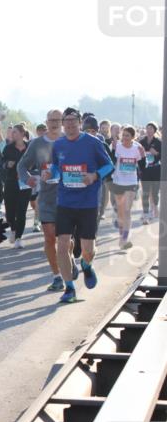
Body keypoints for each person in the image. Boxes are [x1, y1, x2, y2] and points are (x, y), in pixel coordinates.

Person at [45, 108, 114, 304]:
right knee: (62, 245)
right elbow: (56, 168)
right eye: (66, 121)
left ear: (80, 122)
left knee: (88, 249)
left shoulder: (93, 143)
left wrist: (94, 175)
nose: (69, 125)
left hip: (88, 203)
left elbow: (109, 166)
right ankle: (70, 288)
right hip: (65, 202)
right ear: (63, 124)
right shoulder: (59, 144)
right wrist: (50, 173)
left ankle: (86, 264)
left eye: (73, 121)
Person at [19, 110, 65, 291]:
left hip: (68, 197)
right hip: (46, 197)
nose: (54, 123)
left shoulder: (69, 140)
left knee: (66, 240)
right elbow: (22, 165)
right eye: (51, 120)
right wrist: (27, 178)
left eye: (57, 120)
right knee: (49, 237)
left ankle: (68, 261)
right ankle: (57, 276)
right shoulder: (37, 144)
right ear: (46, 122)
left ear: (62, 122)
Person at [110, 126, 143, 249]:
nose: (124, 137)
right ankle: (121, 237)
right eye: (123, 135)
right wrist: (113, 144)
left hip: (131, 182)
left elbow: (142, 163)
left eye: (127, 135)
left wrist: (143, 154)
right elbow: (112, 159)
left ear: (133, 137)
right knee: (121, 212)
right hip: (118, 182)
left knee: (127, 211)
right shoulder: (117, 146)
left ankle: (124, 239)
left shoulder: (137, 148)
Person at [2, 123, 33, 248]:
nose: (12, 134)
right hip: (11, 182)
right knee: (10, 213)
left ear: (22, 133)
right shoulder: (8, 148)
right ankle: (13, 229)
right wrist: (7, 164)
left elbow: (36, 162)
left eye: (15, 132)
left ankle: (19, 238)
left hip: (25, 183)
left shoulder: (30, 147)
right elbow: (1, 163)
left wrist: (29, 171)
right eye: (12, 132)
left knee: (21, 211)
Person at [138, 122, 162, 225]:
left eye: (151, 128)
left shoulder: (158, 142)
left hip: (156, 169)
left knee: (155, 192)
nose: (149, 130)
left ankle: (154, 209)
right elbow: (137, 156)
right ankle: (146, 213)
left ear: (155, 130)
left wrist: (156, 153)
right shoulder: (141, 142)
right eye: (147, 128)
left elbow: (162, 156)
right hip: (145, 170)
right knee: (145, 192)